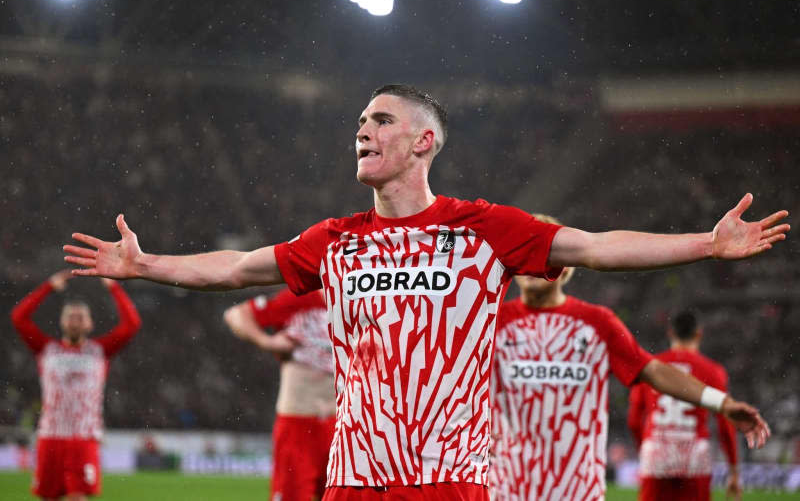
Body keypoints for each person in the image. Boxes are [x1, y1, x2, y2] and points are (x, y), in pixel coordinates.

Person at [63, 84, 788, 500]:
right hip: (353, 478)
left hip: (448, 480)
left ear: (423, 142)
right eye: (358, 122)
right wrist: (147, 264)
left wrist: (705, 242)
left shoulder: (485, 229)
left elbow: (595, 248)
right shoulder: (334, 239)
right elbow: (233, 269)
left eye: (380, 119)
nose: (362, 129)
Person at [488, 215, 767, 501]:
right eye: (524, 251)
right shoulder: (490, 321)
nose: (531, 262)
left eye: (542, 251)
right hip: (507, 487)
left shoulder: (597, 322)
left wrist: (722, 403)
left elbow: (653, 370)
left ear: (564, 266)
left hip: (577, 490)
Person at [10, 270, 142, 501]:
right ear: (61, 321)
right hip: (50, 436)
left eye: (81, 317)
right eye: (70, 316)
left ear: (90, 324)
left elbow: (132, 324)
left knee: (77, 497)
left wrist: (113, 287)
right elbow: (19, 317)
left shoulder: (101, 350)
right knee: (48, 497)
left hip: (84, 436)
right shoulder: (45, 348)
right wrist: (48, 286)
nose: (75, 321)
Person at [223, 288, 335, 501]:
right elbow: (236, 314)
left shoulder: (358, 301)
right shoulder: (299, 299)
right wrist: (268, 342)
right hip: (299, 423)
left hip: (342, 425)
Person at [628, 311, 744, 501]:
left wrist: (646, 448)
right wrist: (733, 470)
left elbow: (634, 420)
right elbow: (725, 425)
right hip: (694, 455)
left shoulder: (651, 367)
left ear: (671, 333)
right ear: (698, 334)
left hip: (658, 450)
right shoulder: (713, 371)